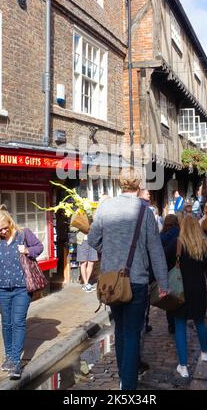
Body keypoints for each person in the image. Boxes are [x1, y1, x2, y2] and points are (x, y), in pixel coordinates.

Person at [88, 167, 168, 390]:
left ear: (120, 183)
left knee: (121, 331)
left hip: (111, 282)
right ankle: (128, 387)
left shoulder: (105, 207)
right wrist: (164, 282)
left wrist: (111, 251)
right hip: (137, 281)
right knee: (132, 333)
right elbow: (156, 250)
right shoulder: (145, 212)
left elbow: (92, 239)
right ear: (138, 184)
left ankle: (124, 377)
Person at [0, 205, 43, 380]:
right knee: (6, 323)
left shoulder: (24, 234)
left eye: (5, 227)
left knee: (18, 322)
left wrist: (28, 250)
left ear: (10, 222)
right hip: (2, 289)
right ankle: (8, 357)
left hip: (22, 288)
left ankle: (15, 361)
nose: (3, 231)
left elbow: (39, 247)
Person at [165, 216, 207, 378]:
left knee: (180, 326)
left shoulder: (176, 244)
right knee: (199, 321)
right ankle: (204, 351)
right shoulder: (203, 244)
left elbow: (165, 262)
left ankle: (183, 366)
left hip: (179, 290)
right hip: (198, 290)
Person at [161, 214, 180, 334]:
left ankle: (171, 324)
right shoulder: (180, 233)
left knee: (169, 299)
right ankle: (179, 321)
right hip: (178, 269)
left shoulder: (161, 236)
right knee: (179, 296)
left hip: (165, 270)